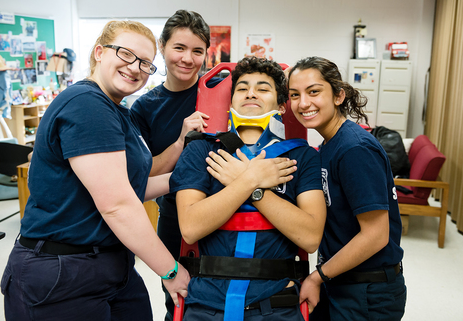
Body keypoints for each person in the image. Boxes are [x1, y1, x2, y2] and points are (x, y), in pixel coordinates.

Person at [0, 20, 190, 321]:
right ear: (100, 52)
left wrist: (190, 179)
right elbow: (117, 205)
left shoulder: (118, 111)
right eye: (126, 54)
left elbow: (127, 187)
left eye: (145, 63)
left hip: (111, 264)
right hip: (63, 269)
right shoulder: (87, 106)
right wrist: (169, 269)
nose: (136, 67)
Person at [170, 56, 326, 320]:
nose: (251, 93)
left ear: (281, 105)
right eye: (242, 88)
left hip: (275, 303)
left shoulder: (303, 157)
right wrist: (251, 179)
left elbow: (310, 238)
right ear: (231, 101)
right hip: (207, 303)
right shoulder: (200, 150)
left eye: (263, 88)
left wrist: (248, 184)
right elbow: (190, 227)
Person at [287, 56, 406, 320]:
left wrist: (317, 277)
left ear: (338, 96)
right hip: (338, 279)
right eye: (294, 94)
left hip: (367, 292)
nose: (303, 103)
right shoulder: (328, 144)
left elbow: (376, 235)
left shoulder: (354, 149)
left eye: (314, 92)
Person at [129, 9, 223, 319]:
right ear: (163, 47)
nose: (187, 58)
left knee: (223, 296)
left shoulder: (224, 91)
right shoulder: (144, 106)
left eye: (197, 51)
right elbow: (144, 172)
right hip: (173, 216)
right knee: (179, 298)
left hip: (224, 211)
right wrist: (181, 141)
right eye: (179, 48)